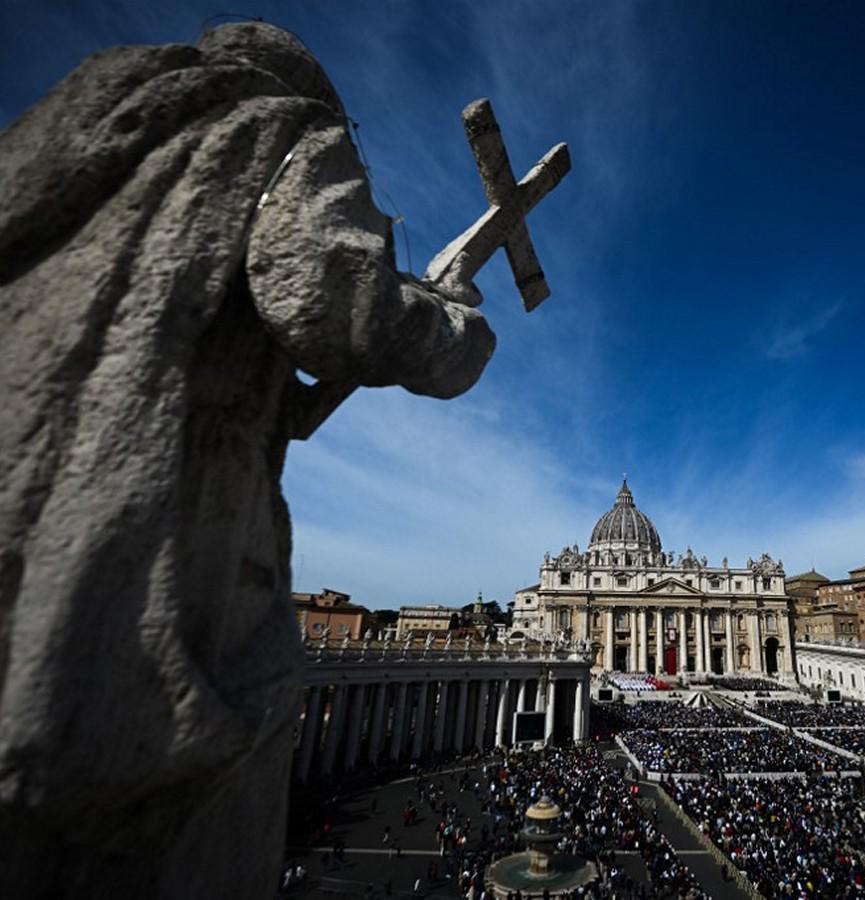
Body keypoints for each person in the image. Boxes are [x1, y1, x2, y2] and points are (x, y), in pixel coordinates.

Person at [0, 20, 496, 899]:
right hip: (164, 500)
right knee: (172, 782)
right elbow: (337, 307)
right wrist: (453, 322)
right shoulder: (277, 124)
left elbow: (290, 404)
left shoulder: (63, 132)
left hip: (30, 466)